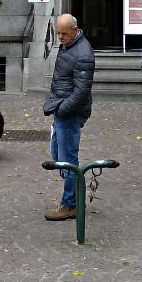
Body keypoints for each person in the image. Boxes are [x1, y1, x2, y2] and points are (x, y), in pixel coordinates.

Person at [43, 13, 95, 221]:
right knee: (57, 153)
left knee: (68, 160)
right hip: (61, 108)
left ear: (75, 29)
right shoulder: (69, 45)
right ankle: (73, 195)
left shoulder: (83, 53)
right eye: (58, 33)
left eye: (64, 33)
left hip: (70, 112)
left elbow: (81, 91)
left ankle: (70, 203)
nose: (60, 37)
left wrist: (63, 109)